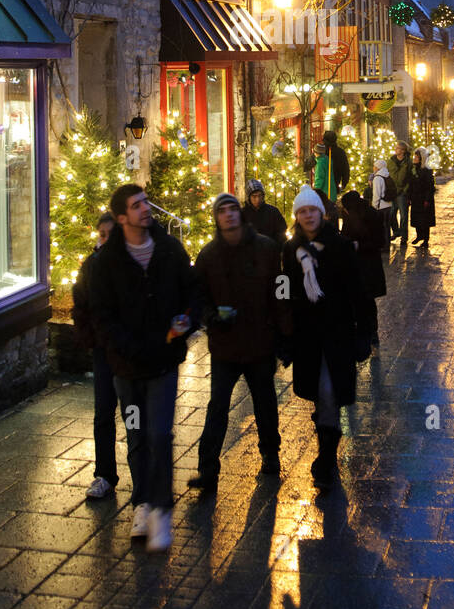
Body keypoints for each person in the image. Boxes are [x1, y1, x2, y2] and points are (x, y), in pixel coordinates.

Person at [86, 184, 202, 552]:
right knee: (136, 433)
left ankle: (161, 508)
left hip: (163, 365)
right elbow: (101, 315)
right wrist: (125, 346)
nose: (145, 210)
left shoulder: (168, 249)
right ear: (122, 217)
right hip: (127, 371)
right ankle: (142, 503)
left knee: (160, 434)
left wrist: (186, 321)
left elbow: (192, 292)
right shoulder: (108, 262)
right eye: (136, 206)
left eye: (145, 203)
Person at [189, 194, 291, 493]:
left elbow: (280, 292)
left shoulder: (266, 248)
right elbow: (199, 297)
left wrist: (284, 335)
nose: (229, 215)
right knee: (217, 407)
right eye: (222, 211)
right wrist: (211, 317)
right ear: (217, 218)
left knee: (265, 403)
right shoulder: (208, 256)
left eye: (233, 209)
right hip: (226, 347)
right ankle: (207, 470)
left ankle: (270, 454)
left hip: (259, 342)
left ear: (240, 214)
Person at [282, 187, 373, 490]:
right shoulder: (291, 250)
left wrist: (365, 334)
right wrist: (283, 334)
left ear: (321, 213)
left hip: (337, 333)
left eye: (312, 210)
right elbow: (285, 291)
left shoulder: (340, 246)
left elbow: (360, 292)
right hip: (307, 336)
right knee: (320, 395)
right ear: (297, 216)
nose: (307, 216)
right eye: (302, 212)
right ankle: (326, 436)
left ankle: (326, 458)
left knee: (328, 390)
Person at [72, 213, 119, 500]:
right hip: (104, 352)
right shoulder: (91, 266)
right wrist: (89, 338)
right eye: (102, 234)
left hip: (127, 352)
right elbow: (81, 303)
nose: (105, 239)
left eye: (110, 234)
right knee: (103, 412)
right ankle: (104, 473)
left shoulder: (131, 266)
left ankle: (143, 479)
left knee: (134, 414)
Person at [339, 190, 386, 344]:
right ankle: (361, 329)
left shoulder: (371, 215)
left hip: (368, 264)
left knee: (367, 298)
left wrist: (359, 245)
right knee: (357, 298)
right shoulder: (350, 214)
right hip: (354, 264)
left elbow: (380, 241)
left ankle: (371, 331)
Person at [242, 179, 287, 247]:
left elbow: (282, 231)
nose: (257, 199)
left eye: (260, 195)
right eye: (254, 196)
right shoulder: (242, 214)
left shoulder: (273, 212)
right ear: (249, 197)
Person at [409, 148, 436, 246]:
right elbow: (411, 183)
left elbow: (430, 186)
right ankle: (419, 235)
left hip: (424, 198)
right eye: (414, 157)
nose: (414, 159)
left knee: (425, 219)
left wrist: (427, 199)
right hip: (415, 197)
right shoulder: (414, 169)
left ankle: (425, 239)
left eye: (417, 157)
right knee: (416, 218)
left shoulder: (426, 171)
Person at [388, 140, 413, 242]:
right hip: (392, 191)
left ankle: (404, 236)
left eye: (398, 148)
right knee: (391, 213)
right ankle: (396, 231)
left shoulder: (408, 162)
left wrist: (406, 189)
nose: (396, 149)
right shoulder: (391, 161)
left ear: (403, 151)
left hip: (402, 192)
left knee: (403, 215)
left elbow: (410, 177)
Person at [370, 158, 394, 248]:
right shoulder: (387, 175)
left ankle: (383, 246)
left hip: (381, 206)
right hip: (389, 204)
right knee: (387, 227)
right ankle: (387, 245)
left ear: (378, 167)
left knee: (381, 227)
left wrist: (374, 206)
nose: (373, 168)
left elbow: (376, 194)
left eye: (375, 166)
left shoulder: (377, 178)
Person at [322, 129, 350, 194]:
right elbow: (345, 169)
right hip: (335, 184)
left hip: (323, 186)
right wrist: (344, 183)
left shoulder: (322, 151)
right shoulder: (340, 152)